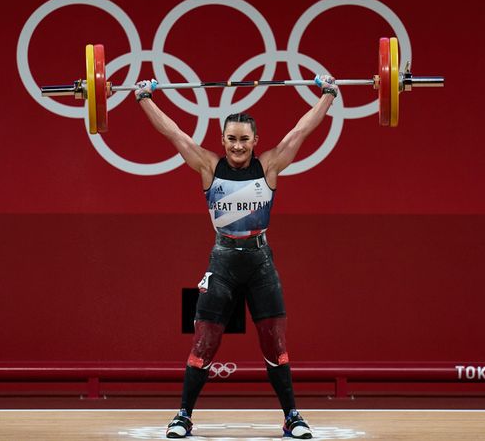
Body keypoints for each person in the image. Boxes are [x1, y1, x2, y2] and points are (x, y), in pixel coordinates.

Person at [134, 75, 339, 440]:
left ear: (255, 141)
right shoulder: (209, 167)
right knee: (204, 343)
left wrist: (328, 94)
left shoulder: (269, 166)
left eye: (245, 139)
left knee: (275, 344)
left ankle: (292, 416)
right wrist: (144, 98)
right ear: (223, 140)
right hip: (223, 263)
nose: (238, 146)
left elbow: (300, 131)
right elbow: (175, 135)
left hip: (261, 265)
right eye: (232, 139)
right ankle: (182, 416)